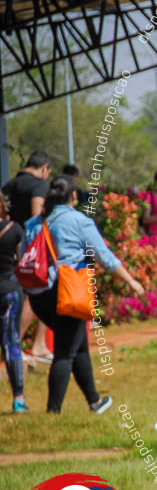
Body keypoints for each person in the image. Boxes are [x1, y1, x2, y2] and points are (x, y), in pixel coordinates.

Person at [25, 176, 146, 413]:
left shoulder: (33, 222)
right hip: (68, 292)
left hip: (39, 295)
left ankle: (94, 401)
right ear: (72, 196)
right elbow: (105, 257)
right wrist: (132, 282)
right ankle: (53, 410)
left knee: (77, 345)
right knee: (64, 352)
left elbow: (24, 256)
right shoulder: (79, 220)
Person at [4, 151, 52, 363]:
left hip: (7, 245)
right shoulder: (38, 185)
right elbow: (36, 217)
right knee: (32, 296)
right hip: (29, 248)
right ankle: (21, 347)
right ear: (44, 168)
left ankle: (34, 345)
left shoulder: (9, 185)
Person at [0, 193, 26, 412]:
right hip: (10, 291)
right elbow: (22, 262)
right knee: (11, 344)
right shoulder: (15, 229)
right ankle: (18, 399)